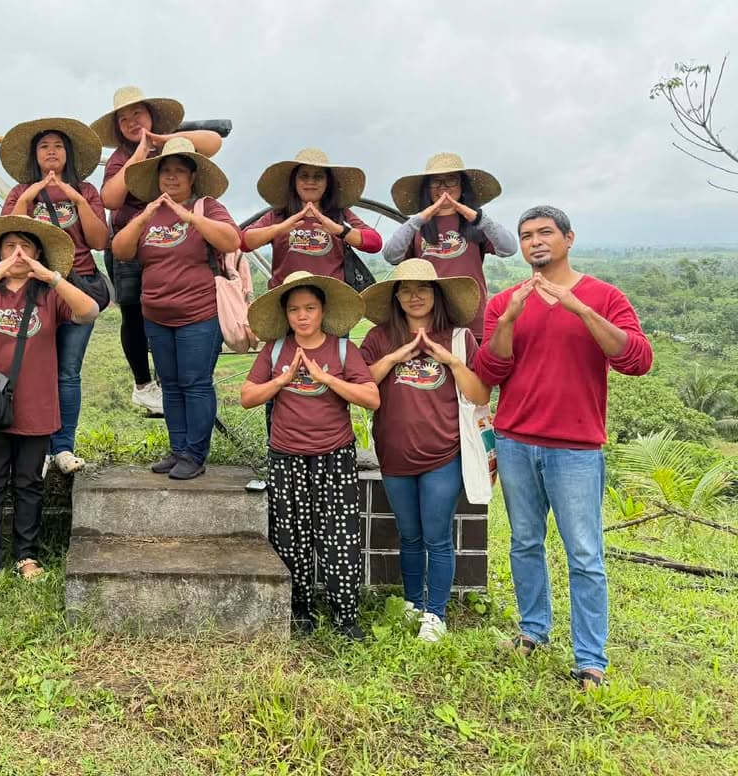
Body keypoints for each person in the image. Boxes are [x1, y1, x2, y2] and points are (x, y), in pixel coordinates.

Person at [476, 205, 653, 690]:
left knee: (584, 554)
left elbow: (637, 360)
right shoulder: (506, 302)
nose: (535, 241)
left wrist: (580, 310)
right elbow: (490, 371)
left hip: (576, 449)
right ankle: (532, 632)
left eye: (545, 232)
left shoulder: (604, 297)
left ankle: (590, 660)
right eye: (526, 235)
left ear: (568, 239)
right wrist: (509, 320)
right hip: (515, 441)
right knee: (525, 543)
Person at [0, 216, 99, 599]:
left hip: (37, 404)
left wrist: (51, 277)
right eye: (9, 246)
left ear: (38, 254)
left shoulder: (48, 294)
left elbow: (88, 312)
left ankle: (26, 556)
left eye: (26, 247)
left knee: (29, 485)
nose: (17, 253)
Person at [239, 272, 379, 639]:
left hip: (335, 457)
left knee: (341, 537)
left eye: (310, 308)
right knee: (290, 537)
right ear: (285, 314)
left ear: (323, 311)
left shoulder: (343, 350)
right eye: (294, 309)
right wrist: (281, 381)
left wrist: (326, 378)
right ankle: (299, 611)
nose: (302, 316)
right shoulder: (275, 350)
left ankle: (345, 616)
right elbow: (247, 397)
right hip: (286, 457)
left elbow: (372, 398)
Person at [359, 259, 489, 642]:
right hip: (394, 453)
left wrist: (449, 360)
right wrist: (395, 357)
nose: (414, 296)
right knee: (409, 535)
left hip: (443, 454)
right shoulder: (379, 338)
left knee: (437, 536)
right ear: (396, 297)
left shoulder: (459, 338)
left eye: (423, 288)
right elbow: (361, 387)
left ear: (437, 294)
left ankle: (436, 614)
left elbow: (480, 394)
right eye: (406, 289)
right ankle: (413, 603)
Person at [111, 136, 239, 480]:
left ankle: (195, 454)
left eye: (180, 170)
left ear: (192, 176)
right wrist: (144, 217)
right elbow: (121, 250)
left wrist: (188, 217)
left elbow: (231, 240)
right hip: (156, 314)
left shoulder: (207, 207)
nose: (171, 176)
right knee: (169, 384)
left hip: (199, 314)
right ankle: (178, 449)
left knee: (195, 383)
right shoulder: (147, 212)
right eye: (165, 170)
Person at [93, 86, 223, 415]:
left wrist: (163, 140)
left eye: (137, 114)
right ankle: (143, 385)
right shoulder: (121, 158)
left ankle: (174, 379)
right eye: (123, 119)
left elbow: (212, 142)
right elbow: (110, 199)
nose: (131, 122)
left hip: (180, 237)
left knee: (183, 306)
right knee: (133, 311)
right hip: (133, 240)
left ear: (151, 115)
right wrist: (139, 153)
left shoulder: (173, 142)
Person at [0, 117, 109, 474]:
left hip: (76, 286)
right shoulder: (20, 192)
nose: (51, 152)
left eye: (58, 146)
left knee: (68, 371)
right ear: (34, 154)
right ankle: (38, 445)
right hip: (33, 288)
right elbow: (8, 235)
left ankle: (63, 446)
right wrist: (29, 195)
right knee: (35, 368)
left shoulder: (86, 190)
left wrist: (76, 198)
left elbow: (99, 240)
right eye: (44, 146)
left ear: (68, 153)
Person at [383, 152, 517, 338]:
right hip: (427, 320)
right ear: (427, 188)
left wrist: (478, 218)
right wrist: (418, 219)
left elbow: (509, 248)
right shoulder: (417, 227)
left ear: (462, 185)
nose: (443, 187)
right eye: (435, 182)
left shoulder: (477, 224)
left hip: (472, 318)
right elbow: (391, 255)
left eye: (451, 180)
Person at [242, 148, 382, 285]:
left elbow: (375, 243)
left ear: (327, 183)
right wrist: (279, 229)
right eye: (304, 176)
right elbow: (244, 242)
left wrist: (340, 230)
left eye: (318, 177)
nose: (311, 182)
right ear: (294, 182)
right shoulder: (278, 216)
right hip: (286, 297)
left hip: (331, 297)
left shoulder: (340, 214)